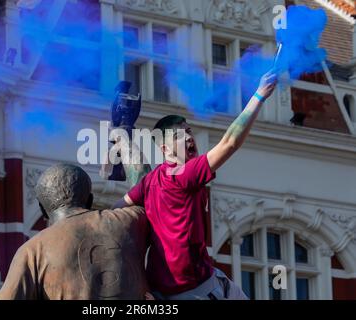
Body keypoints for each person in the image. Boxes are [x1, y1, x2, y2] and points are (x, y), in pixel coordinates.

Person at [113, 71, 278, 299]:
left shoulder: (150, 181)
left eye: (189, 131)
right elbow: (230, 142)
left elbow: (118, 206)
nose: (189, 138)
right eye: (179, 136)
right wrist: (259, 95)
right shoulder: (185, 174)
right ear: (165, 149)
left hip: (174, 288)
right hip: (195, 290)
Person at [0, 164, 150, 300]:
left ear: (43, 210)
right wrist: (125, 141)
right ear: (90, 200)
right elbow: (149, 191)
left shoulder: (32, 251)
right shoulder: (128, 222)